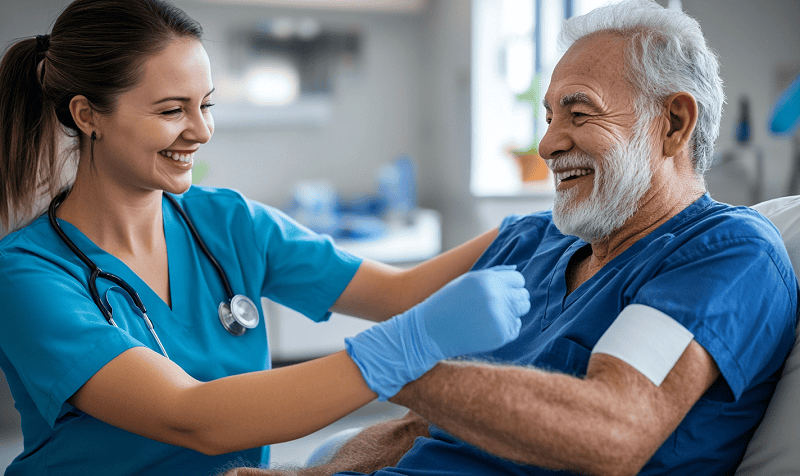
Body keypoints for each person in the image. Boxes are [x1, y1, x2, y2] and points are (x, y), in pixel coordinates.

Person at [222, 1, 799, 475]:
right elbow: (419, 422)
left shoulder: (723, 252)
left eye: (578, 113)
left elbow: (611, 430)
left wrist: (400, 362)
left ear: (673, 123)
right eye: (549, 117)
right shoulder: (532, 241)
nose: (548, 145)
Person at [0, 1, 532, 475]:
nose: (201, 130)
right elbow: (190, 418)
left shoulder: (228, 222)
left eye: (205, 104)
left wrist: (530, 229)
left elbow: (396, 293)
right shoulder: (26, 275)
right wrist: (407, 344)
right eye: (171, 110)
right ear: (86, 114)